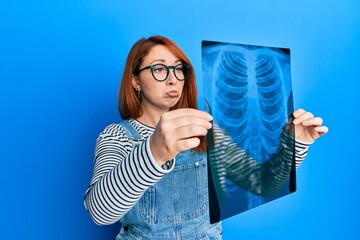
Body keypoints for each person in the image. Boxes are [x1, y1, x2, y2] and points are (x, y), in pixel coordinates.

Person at [84, 35, 328, 239]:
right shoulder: (117, 136)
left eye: (179, 69)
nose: (173, 78)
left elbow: (260, 182)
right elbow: (100, 212)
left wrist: (295, 142)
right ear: (135, 81)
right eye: (159, 68)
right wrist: (154, 152)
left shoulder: (206, 131)